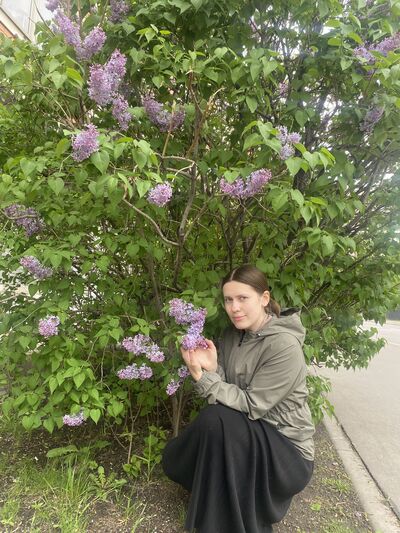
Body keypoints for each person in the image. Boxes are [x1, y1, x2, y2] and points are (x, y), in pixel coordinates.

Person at [162, 264, 315, 533]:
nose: (234, 308)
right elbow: (229, 395)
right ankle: (202, 493)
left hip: (288, 454)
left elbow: (251, 405)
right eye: (228, 300)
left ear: (264, 299)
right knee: (217, 421)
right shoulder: (232, 336)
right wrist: (212, 368)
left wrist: (203, 378)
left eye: (243, 298)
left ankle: (219, 520)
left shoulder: (284, 346)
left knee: (216, 419)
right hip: (249, 437)